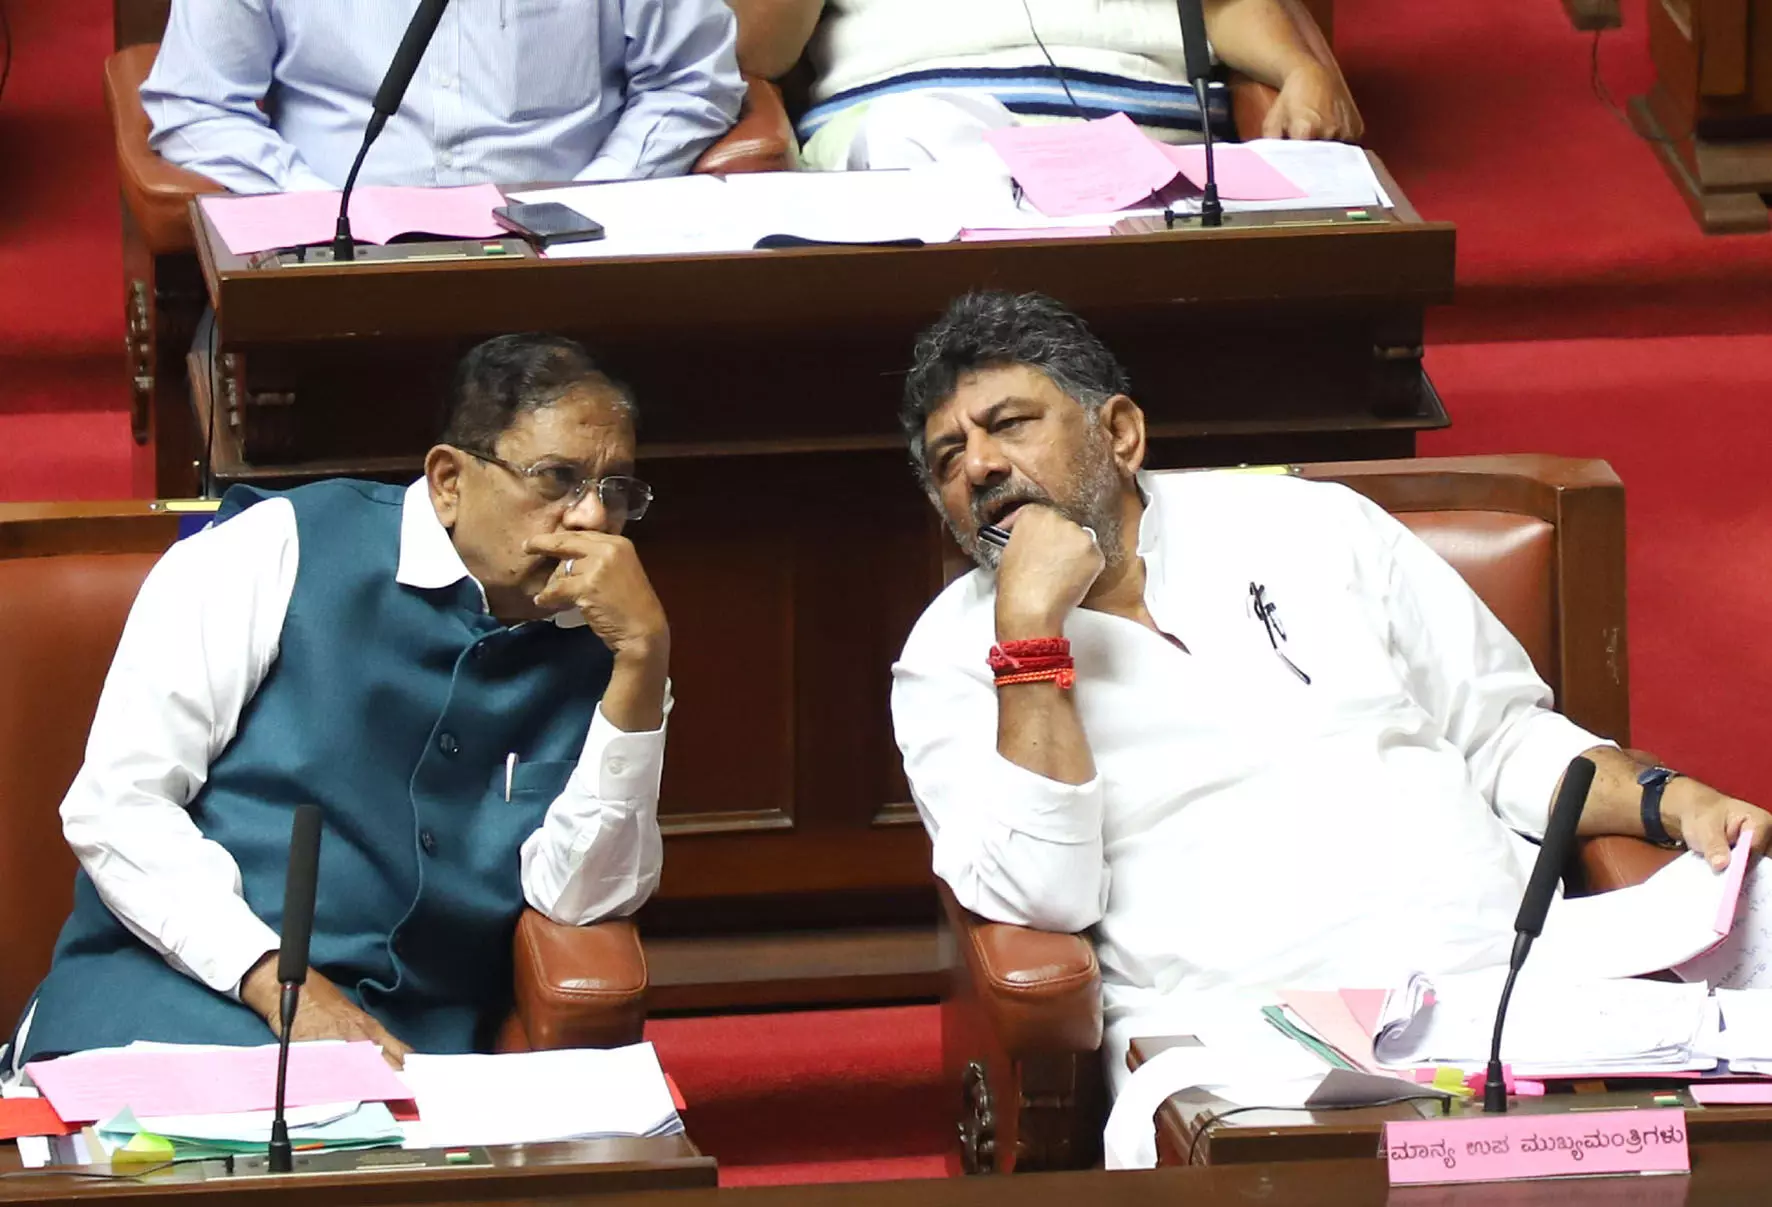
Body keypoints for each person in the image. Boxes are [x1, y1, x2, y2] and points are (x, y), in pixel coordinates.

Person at [888, 291, 1771, 1090]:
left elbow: (1500, 735)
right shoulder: (949, 658)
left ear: (1119, 433)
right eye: (949, 457)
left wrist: (1671, 800)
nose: (982, 467)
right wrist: (1031, 641)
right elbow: (1045, 894)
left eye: (1010, 425)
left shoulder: (1310, 522)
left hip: (1509, 987)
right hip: (1250, 1043)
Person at [5, 334, 670, 1073]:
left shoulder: (608, 650)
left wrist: (641, 669)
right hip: (170, 1001)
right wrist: (272, 980)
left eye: (617, 490)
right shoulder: (276, 548)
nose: (592, 519)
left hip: (401, 1051)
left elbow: (580, 899)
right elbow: (117, 806)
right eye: (558, 479)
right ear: (449, 481)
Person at [142, 0, 746, 194]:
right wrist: (306, 204)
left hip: (561, 262)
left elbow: (691, 79)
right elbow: (194, 103)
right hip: (332, 258)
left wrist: (599, 198)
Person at [728, 0, 1361, 171]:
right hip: (913, 152)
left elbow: (1229, 8)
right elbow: (756, 51)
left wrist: (1300, 69)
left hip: (1153, 161)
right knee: (919, 135)